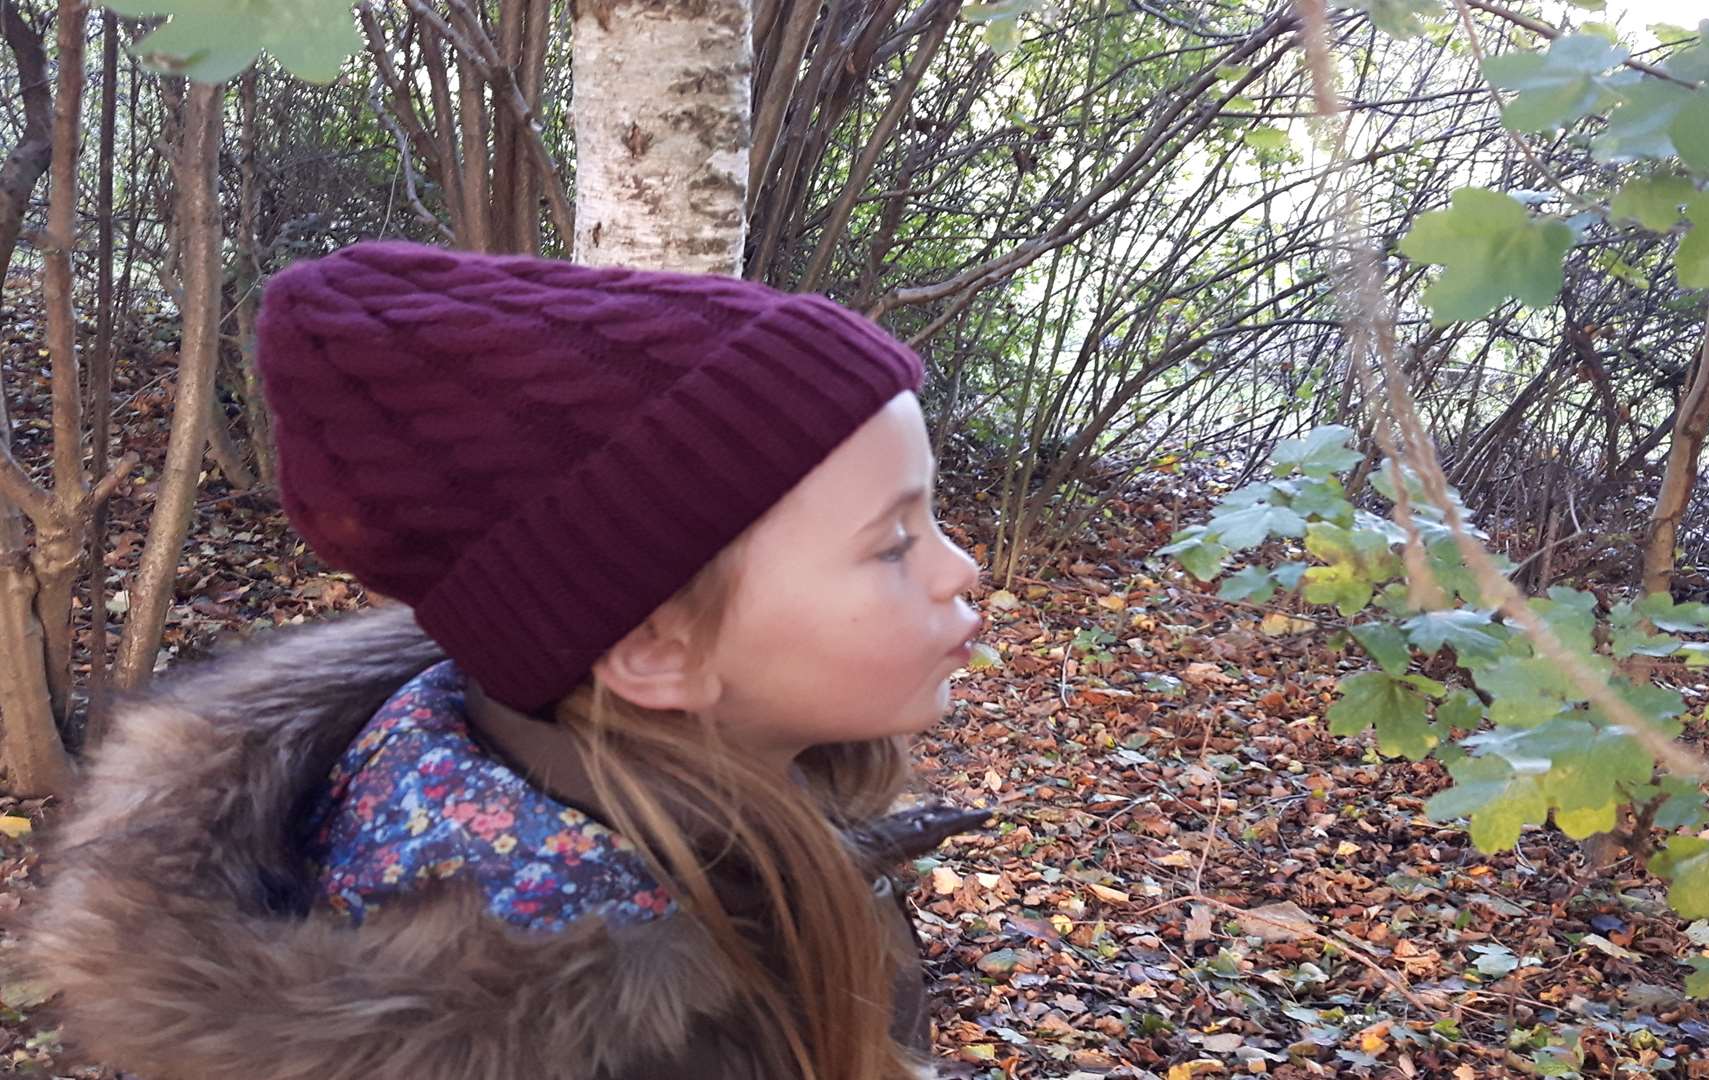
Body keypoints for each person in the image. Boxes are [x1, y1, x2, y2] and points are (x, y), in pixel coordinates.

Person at [29, 240, 992, 1080]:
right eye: (894, 543)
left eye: (931, 514)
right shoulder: (614, 1039)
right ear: (655, 651)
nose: (964, 567)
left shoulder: (705, 780)